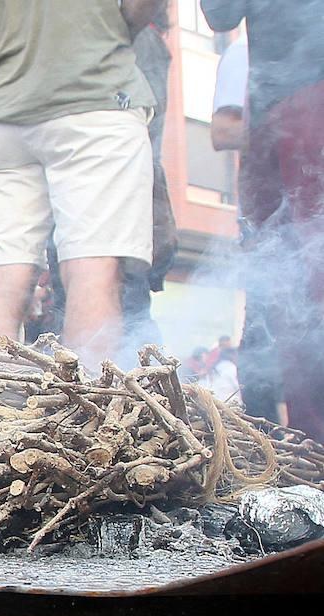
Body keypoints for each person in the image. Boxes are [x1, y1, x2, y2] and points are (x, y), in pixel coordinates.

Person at [0, 0, 160, 366]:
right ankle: (89, 414)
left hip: (0, 117)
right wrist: (112, 29)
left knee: (3, 275)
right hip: (95, 97)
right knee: (91, 271)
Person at [201, 0, 324, 443]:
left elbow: (219, 11)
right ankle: (312, 449)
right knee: (285, 284)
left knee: (306, 280)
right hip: (279, 110)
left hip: (300, 105)